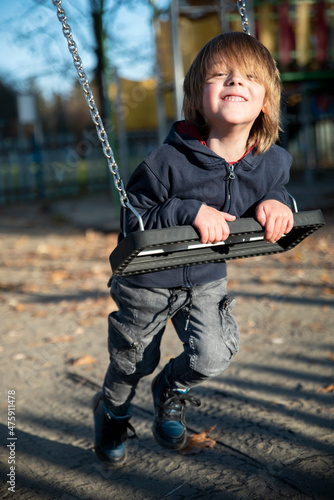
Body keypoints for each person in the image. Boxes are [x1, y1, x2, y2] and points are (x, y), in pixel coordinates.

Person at [93, 31, 294, 467]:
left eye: (248, 78)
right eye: (220, 75)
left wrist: (279, 204)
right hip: (147, 280)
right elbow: (135, 219)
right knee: (132, 363)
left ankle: (171, 389)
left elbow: (276, 190)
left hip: (205, 276)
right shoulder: (166, 160)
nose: (234, 82)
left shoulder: (273, 160)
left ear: (266, 100)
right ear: (197, 98)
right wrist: (188, 210)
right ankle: (112, 412)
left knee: (213, 355)